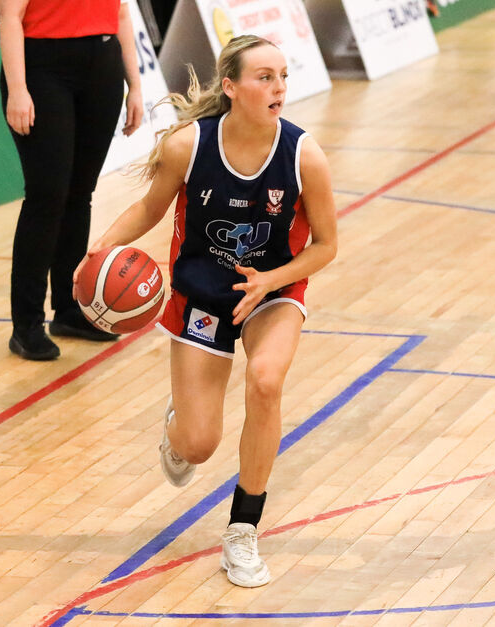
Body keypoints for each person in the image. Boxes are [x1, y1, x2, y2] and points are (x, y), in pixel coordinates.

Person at [76, 33, 338, 587]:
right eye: (264, 77)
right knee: (199, 444)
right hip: (202, 291)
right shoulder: (189, 146)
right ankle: (179, 426)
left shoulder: (303, 154)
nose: (279, 87)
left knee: (266, 381)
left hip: (273, 289)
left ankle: (242, 532)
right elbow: (149, 208)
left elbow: (325, 246)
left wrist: (271, 279)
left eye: (283, 76)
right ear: (231, 86)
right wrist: (99, 250)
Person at [0, 0, 144, 361]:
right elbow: (10, 16)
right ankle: (26, 322)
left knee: (80, 193)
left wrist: (134, 81)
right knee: (47, 195)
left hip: (101, 66)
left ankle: (71, 309)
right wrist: (18, 88)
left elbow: (122, 9)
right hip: (44, 70)